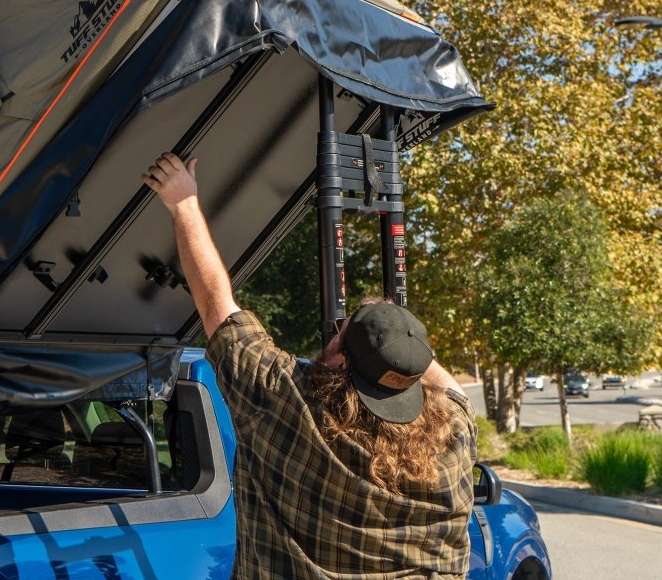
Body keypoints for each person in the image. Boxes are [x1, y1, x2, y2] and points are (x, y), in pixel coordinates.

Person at [142, 152, 477, 580]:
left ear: (339, 359)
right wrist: (393, 337)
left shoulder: (288, 405)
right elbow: (444, 384)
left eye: (341, 332)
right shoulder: (453, 435)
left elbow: (218, 308)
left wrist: (183, 202)